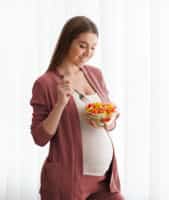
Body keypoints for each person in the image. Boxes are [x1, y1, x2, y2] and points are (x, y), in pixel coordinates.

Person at [30, 16, 124, 200]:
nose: (88, 53)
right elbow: (39, 137)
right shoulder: (45, 83)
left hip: (106, 179)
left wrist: (110, 119)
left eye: (93, 47)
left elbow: (110, 121)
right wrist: (60, 105)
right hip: (68, 182)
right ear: (66, 42)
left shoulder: (95, 75)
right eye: (82, 45)